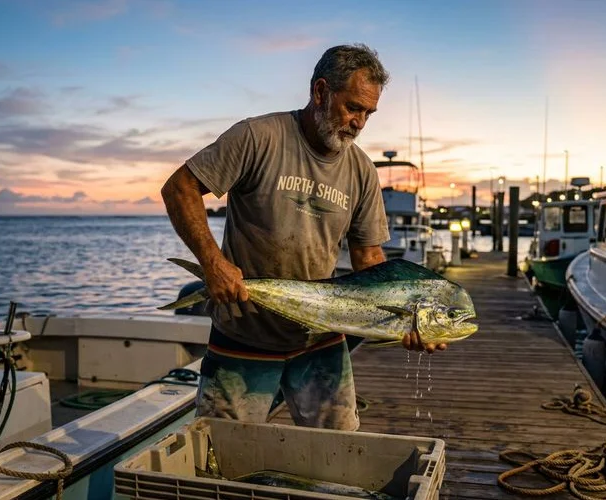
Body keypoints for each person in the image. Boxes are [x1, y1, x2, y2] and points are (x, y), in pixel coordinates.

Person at [161, 44, 446, 431]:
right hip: (244, 332)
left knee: (339, 450)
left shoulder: (362, 170)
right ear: (320, 92)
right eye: (352, 107)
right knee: (220, 455)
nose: (359, 122)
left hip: (322, 337)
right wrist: (213, 263)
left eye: (368, 113)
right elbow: (180, 188)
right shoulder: (258, 136)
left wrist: (406, 320)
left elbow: (369, 262)